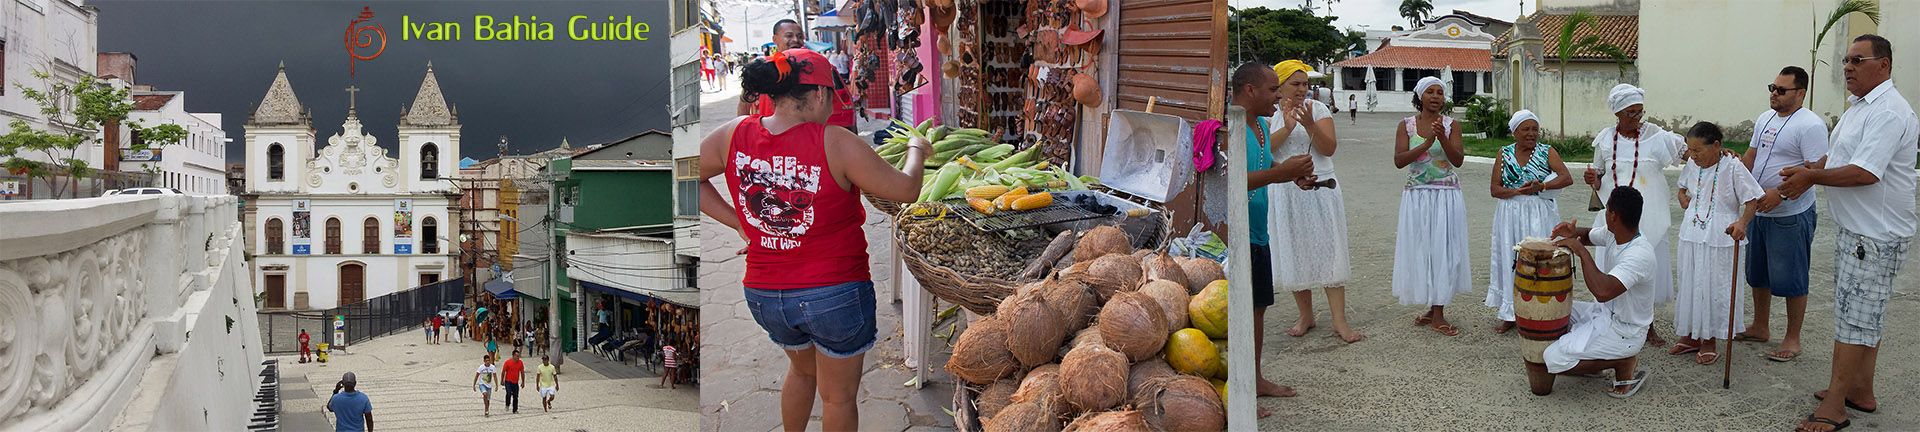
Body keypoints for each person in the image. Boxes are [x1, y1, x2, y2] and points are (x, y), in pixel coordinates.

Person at [699, 48, 932, 432]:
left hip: (765, 296)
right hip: (834, 295)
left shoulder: (733, 134)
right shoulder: (835, 141)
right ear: (821, 95)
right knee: (837, 397)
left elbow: (685, 175)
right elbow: (905, 189)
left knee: (803, 372)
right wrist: (915, 150)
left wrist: (739, 222)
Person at [1779, 34, 1916, 432]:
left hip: (1875, 235)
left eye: (1858, 60)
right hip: (1858, 231)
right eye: (1846, 60)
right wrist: (1809, 172)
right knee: (1863, 315)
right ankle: (1860, 390)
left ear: (1884, 65)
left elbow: (1865, 172)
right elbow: (1841, 158)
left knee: (1855, 321)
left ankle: (1835, 406)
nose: (1848, 68)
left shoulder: (1889, 111)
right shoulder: (1861, 107)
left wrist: (1812, 176)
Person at [1227, 61, 1317, 419]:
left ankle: (1255, 378)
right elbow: (1233, 179)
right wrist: (1282, 174)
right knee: (1238, 312)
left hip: (1258, 232)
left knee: (1258, 308)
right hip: (1237, 235)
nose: (1279, 95)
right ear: (1249, 91)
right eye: (1273, 89)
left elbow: (1264, 172)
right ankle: (1239, 389)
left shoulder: (1263, 127)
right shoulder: (1229, 127)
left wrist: (1293, 177)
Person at [1734, 66, 1830, 362]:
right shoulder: (1765, 118)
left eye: (1781, 90)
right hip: (1759, 210)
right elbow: (1752, 156)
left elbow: (1816, 171)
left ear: (1800, 93)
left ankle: (1792, 338)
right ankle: (1760, 326)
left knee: (1792, 277)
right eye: (1772, 88)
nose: (1774, 94)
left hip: (1790, 213)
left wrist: (1780, 194)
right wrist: (1734, 174)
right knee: (1758, 274)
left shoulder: (1811, 125)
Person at [1265, 60, 1361, 344]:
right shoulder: (1268, 114)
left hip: (1321, 186)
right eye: (1295, 84)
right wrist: (1287, 126)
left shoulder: (1317, 109)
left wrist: (1308, 125)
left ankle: (1339, 320)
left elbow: (1328, 148)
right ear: (1279, 86)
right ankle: (1305, 315)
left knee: (1328, 249)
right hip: (1286, 189)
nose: (1302, 89)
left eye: (1305, 84)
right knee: (1295, 249)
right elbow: (1264, 149)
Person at [1583, 82, 1683, 348]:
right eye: (1631, 113)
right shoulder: (1605, 139)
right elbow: (1599, 174)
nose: (1637, 118)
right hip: (1615, 217)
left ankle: (1647, 325)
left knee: (1644, 270)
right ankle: (1609, 321)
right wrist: (1593, 179)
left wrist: (1721, 154)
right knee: (1613, 268)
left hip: (1648, 216)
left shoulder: (1658, 136)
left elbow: (1693, 154)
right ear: (1617, 113)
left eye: (1640, 112)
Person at [1544, 187, 1658, 398]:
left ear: (1613, 215)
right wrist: (1572, 232)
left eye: (1607, 209)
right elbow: (1586, 235)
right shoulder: (1615, 234)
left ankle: (1622, 360)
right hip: (1606, 314)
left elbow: (1602, 291)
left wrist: (1580, 252)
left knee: (1552, 359)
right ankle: (1596, 360)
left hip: (1627, 330)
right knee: (1556, 309)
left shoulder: (1639, 255)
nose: (1605, 212)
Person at [1671, 121, 1763, 365]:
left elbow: (1752, 200)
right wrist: (1683, 196)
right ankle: (1691, 336)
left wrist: (1742, 223)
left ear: (1717, 146)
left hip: (1721, 236)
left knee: (1713, 286)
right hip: (1692, 232)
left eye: (1698, 150)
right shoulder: (1692, 164)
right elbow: (1682, 187)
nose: (1693, 155)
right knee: (1691, 282)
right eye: (1690, 150)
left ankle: (1709, 339)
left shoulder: (1733, 166)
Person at [1392, 76, 1470, 336]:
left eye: (1440, 92)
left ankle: (1438, 313)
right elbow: (1399, 161)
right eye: (1430, 92)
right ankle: (1431, 307)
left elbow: (1458, 160)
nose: (1435, 96)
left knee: (1443, 251)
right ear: (1420, 97)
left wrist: (1442, 139)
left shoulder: (1451, 125)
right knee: (1422, 249)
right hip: (1416, 196)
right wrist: (1426, 143)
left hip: (1446, 196)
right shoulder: (1406, 126)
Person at [1486, 110, 1573, 334]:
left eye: (1535, 129)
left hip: (1539, 214)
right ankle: (1509, 313)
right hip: (1509, 214)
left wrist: (1542, 187)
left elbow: (1566, 177)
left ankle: (1540, 311)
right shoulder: (1503, 153)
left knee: (1539, 260)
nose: (1531, 133)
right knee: (1510, 258)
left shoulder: (1546, 152)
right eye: (1526, 129)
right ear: (1514, 132)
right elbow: (1495, 189)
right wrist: (1517, 191)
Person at [739, 20, 858, 133]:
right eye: (789, 36)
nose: (795, 40)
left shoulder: (815, 65)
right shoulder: (763, 69)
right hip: (769, 136)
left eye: (800, 36)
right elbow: (744, 105)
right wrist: (744, 132)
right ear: (775, 39)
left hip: (806, 138)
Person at [502, 348, 525, 414]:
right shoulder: (508, 362)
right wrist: (502, 380)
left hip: (515, 382)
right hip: (508, 381)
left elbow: (522, 372)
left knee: (515, 396)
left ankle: (515, 409)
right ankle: (507, 404)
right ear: (513, 355)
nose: (518, 357)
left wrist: (523, 382)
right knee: (508, 393)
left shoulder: (520, 363)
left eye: (519, 356)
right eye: (517, 356)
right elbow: (503, 371)